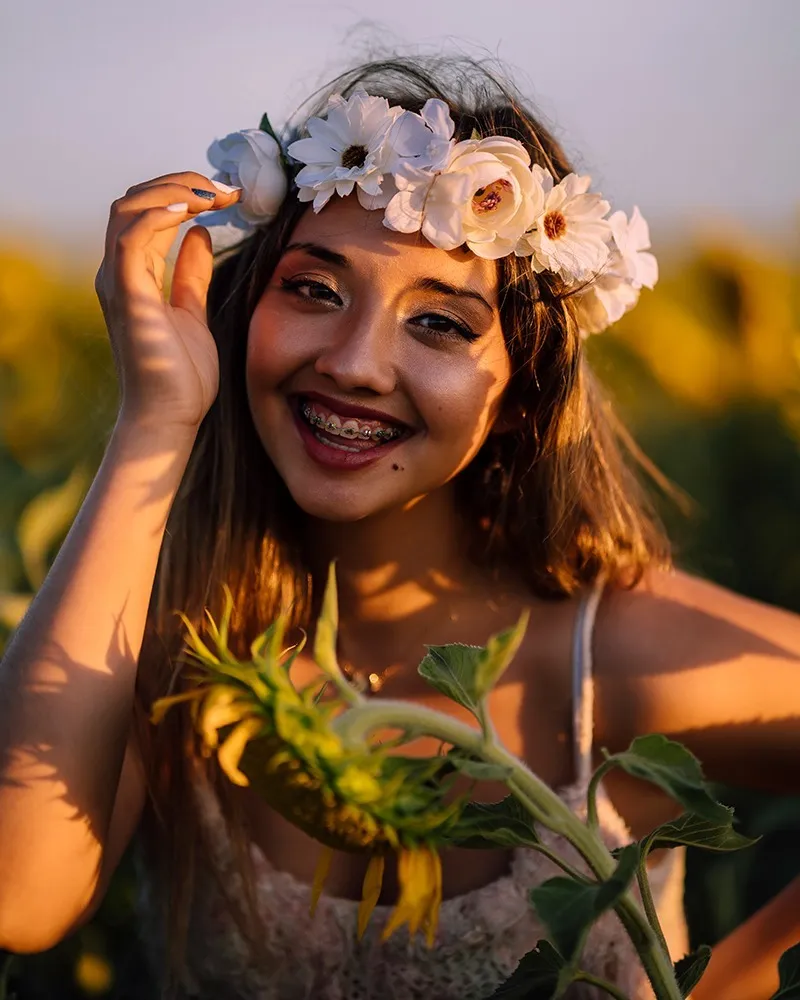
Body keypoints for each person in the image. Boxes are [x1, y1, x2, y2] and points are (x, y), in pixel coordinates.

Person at [0, 56, 798, 1000]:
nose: (356, 365)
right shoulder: (175, 627)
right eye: (314, 290)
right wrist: (155, 422)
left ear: (524, 391)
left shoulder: (609, 658)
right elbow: (21, 895)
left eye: (443, 325)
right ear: (242, 306)